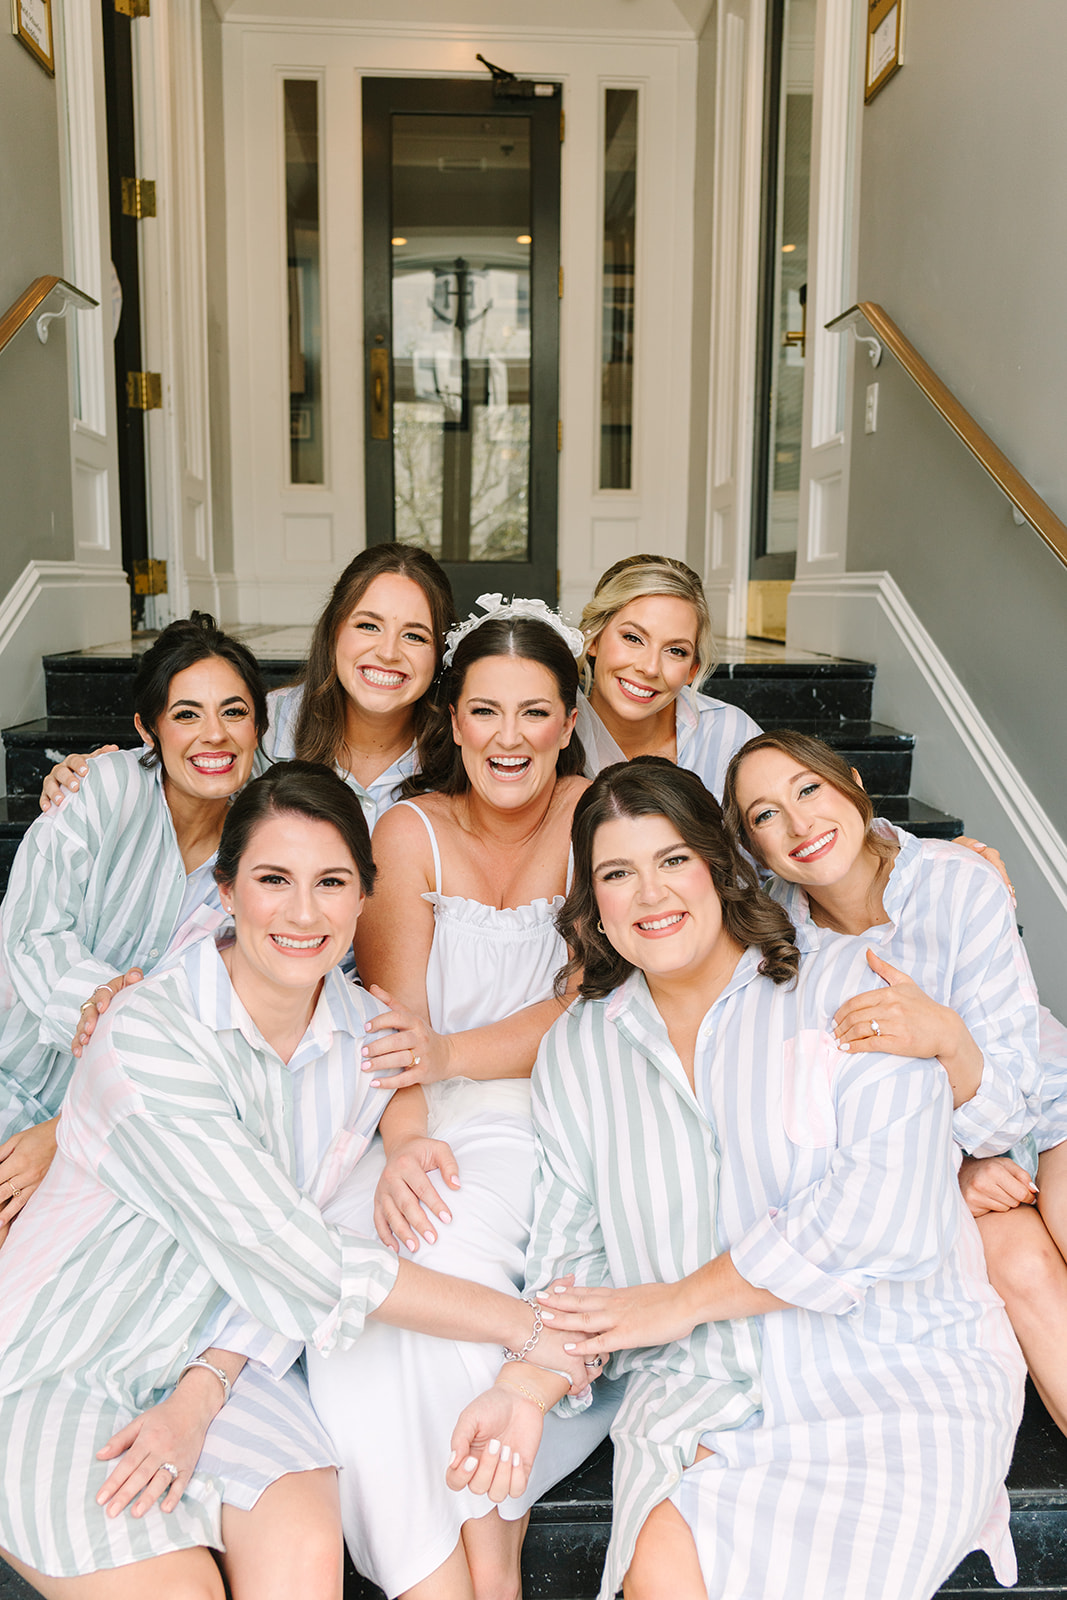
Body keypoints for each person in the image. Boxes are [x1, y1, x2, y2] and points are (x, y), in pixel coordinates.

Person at [0, 762, 589, 1600]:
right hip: (64, 1357)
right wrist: (524, 1327)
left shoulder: (361, 1039)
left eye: (332, 882)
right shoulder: (146, 1036)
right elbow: (299, 1258)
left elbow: (313, 1232)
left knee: (307, 1561)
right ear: (227, 888)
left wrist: (204, 1387)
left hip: (227, 1363)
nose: (304, 912)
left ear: (363, 899)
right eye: (273, 879)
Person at [448, 756, 1025, 1599]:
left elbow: (888, 1219)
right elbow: (577, 1264)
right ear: (593, 905)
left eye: (672, 859)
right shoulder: (580, 1049)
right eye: (617, 873)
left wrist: (679, 1298)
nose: (650, 896)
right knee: (662, 1576)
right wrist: (525, 1387)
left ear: (718, 867)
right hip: (698, 1388)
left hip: (891, 1374)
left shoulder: (846, 987)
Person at [305, 596, 619, 1600]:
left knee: (448, 1267)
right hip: (409, 1111)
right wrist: (399, 1142)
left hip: (550, 1115)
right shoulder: (407, 828)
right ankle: (456, 1577)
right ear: (451, 718)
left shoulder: (598, 811)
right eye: (484, 711)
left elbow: (579, 1007)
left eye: (534, 712)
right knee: (361, 1299)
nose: (508, 737)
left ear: (569, 721)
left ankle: (486, 1568)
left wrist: (445, 1059)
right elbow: (391, 1020)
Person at [722, 727, 1067, 1432]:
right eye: (764, 815)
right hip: (934, 1161)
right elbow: (822, 1115)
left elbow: (1010, 1104)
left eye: (808, 789)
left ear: (851, 783)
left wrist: (944, 1037)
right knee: (1021, 1267)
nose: (797, 824)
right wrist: (952, 1174)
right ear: (752, 846)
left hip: (1038, 1104)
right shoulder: (773, 946)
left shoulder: (956, 881)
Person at [0, 613, 267, 1237]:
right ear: (148, 728)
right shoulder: (101, 791)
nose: (214, 736)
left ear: (258, 722)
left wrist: (71, 1126)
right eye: (186, 715)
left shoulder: (269, 835)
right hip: (14, 1062)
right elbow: (31, 934)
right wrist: (109, 1005)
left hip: (128, 1112)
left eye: (234, 712)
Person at [39, 543, 457, 835]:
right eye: (368, 625)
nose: (387, 652)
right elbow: (176, 765)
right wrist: (87, 780)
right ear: (333, 631)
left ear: (439, 653)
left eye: (415, 636)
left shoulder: (460, 749)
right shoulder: (258, 722)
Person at [574, 554, 761, 794]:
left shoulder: (731, 734)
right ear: (593, 639)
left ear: (692, 670)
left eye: (675, 651)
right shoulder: (549, 736)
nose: (650, 668)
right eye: (633, 638)